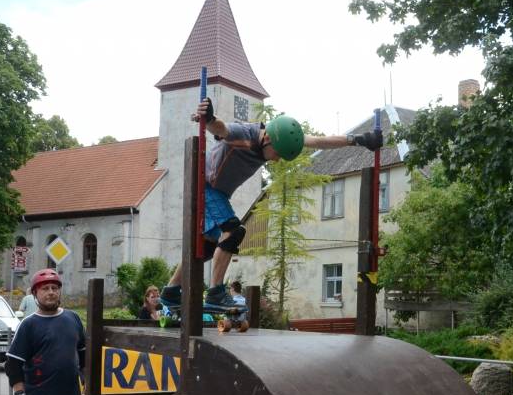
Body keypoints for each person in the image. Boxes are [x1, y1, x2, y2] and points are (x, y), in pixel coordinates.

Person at [160, 98, 382, 309]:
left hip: (218, 193)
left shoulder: (282, 136)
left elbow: (319, 141)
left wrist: (359, 140)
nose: (276, 160)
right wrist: (208, 118)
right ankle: (216, 292)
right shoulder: (244, 134)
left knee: (207, 247)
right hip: (206, 186)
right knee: (234, 231)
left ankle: (170, 291)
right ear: (267, 139)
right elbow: (221, 129)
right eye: (276, 154)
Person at [137, 285, 161, 395]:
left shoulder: (159, 309)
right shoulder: (144, 311)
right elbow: (143, 329)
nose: (155, 299)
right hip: (145, 347)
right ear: (147, 298)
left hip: (156, 347)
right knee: (146, 378)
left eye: (157, 296)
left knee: (156, 378)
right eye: (152, 297)